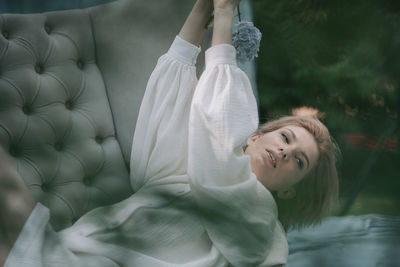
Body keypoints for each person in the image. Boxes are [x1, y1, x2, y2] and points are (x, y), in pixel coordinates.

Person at [1, 0, 340, 266]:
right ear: (255, 136)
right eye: (285, 138)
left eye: (299, 162)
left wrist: (223, 15)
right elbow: (168, 105)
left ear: (290, 192)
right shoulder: (197, 165)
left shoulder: (259, 219)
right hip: (75, 249)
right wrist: (202, 8)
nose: (285, 152)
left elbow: (219, 135)